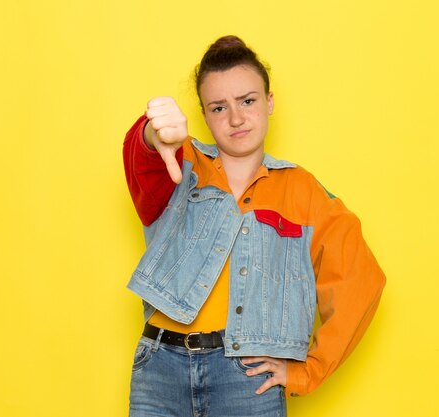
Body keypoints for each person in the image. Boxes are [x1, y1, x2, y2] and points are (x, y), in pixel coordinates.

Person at [122, 35, 386, 417]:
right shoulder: (181, 164)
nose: (235, 118)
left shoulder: (304, 191)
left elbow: (360, 281)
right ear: (203, 113)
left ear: (269, 101)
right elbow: (144, 156)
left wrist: (307, 372)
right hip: (160, 370)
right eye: (218, 107)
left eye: (247, 101)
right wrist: (152, 133)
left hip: (246, 378)